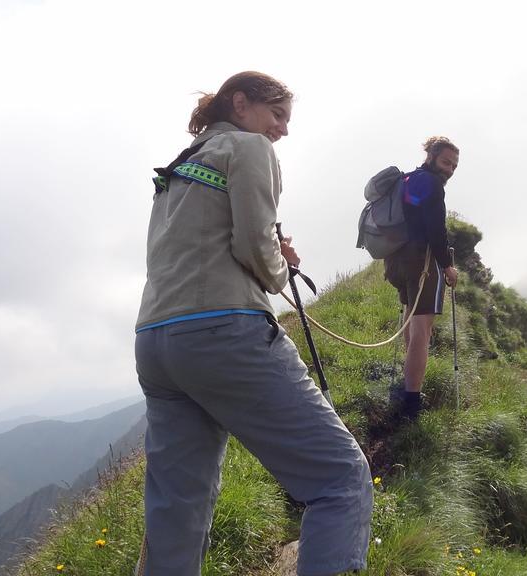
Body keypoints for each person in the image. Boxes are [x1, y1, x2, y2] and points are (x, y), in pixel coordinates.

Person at [134, 71, 372, 576]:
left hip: (156, 341)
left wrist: (264, 252)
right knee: (340, 478)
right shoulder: (249, 148)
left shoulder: (179, 165)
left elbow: (201, 244)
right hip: (225, 331)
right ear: (240, 105)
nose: (282, 129)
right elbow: (253, 249)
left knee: (177, 509)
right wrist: (281, 265)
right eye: (277, 114)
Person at [384, 136, 460, 420]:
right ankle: (412, 401)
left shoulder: (407, 179)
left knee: (409, 317)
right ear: (431, 157)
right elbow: (436, 231)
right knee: (422, 329)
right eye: (445, 162)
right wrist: (448, 266)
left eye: (454, 165)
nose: (450, 169)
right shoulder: (432, 184)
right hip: (421, 260)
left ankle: (407, 386)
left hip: (395, 260)